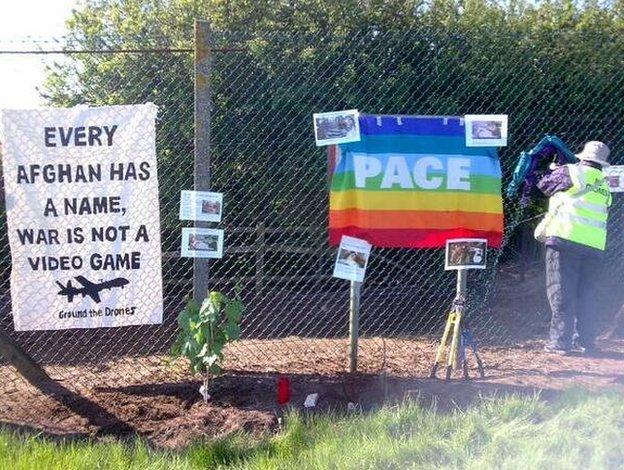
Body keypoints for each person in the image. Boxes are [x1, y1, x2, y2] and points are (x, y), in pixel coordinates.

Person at [534, 141, 612, 355]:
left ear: (582, 157)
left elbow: (543, 185)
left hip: (565, 240)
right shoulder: (604, 184)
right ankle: (586, 341)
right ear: (602, 163)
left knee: (560, 291)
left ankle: (560, 342)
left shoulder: (571, 172)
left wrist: (553, 168)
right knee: (586, 294)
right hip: (594, 246)